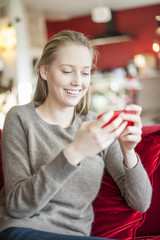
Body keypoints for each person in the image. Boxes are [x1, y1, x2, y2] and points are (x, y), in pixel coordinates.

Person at [0, 30, 152, 240]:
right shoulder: (21, 118)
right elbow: (18, 207)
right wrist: (74, 152)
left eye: (86, 72)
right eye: (67, 71)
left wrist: (129, 151)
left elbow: (141, 203)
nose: (78, 82)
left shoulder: (97, 125)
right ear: (44, 71)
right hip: (24, 230)